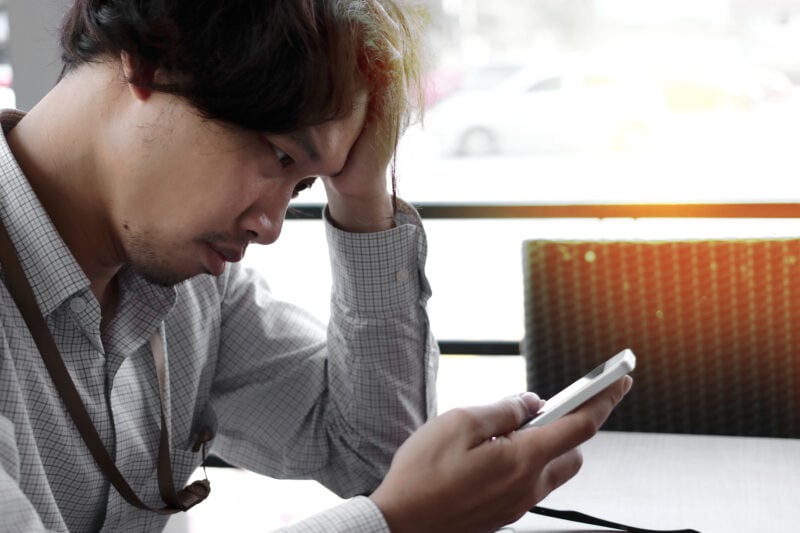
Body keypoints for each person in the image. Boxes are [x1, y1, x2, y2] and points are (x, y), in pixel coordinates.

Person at [0, 1, 632, 532]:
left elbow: (377, 458)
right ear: (149, 59)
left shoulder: (191, 290)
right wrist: (394, 523)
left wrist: (362, 199)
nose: (270, 226)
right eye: (279, 156)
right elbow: (394, 495)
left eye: (303, 186)